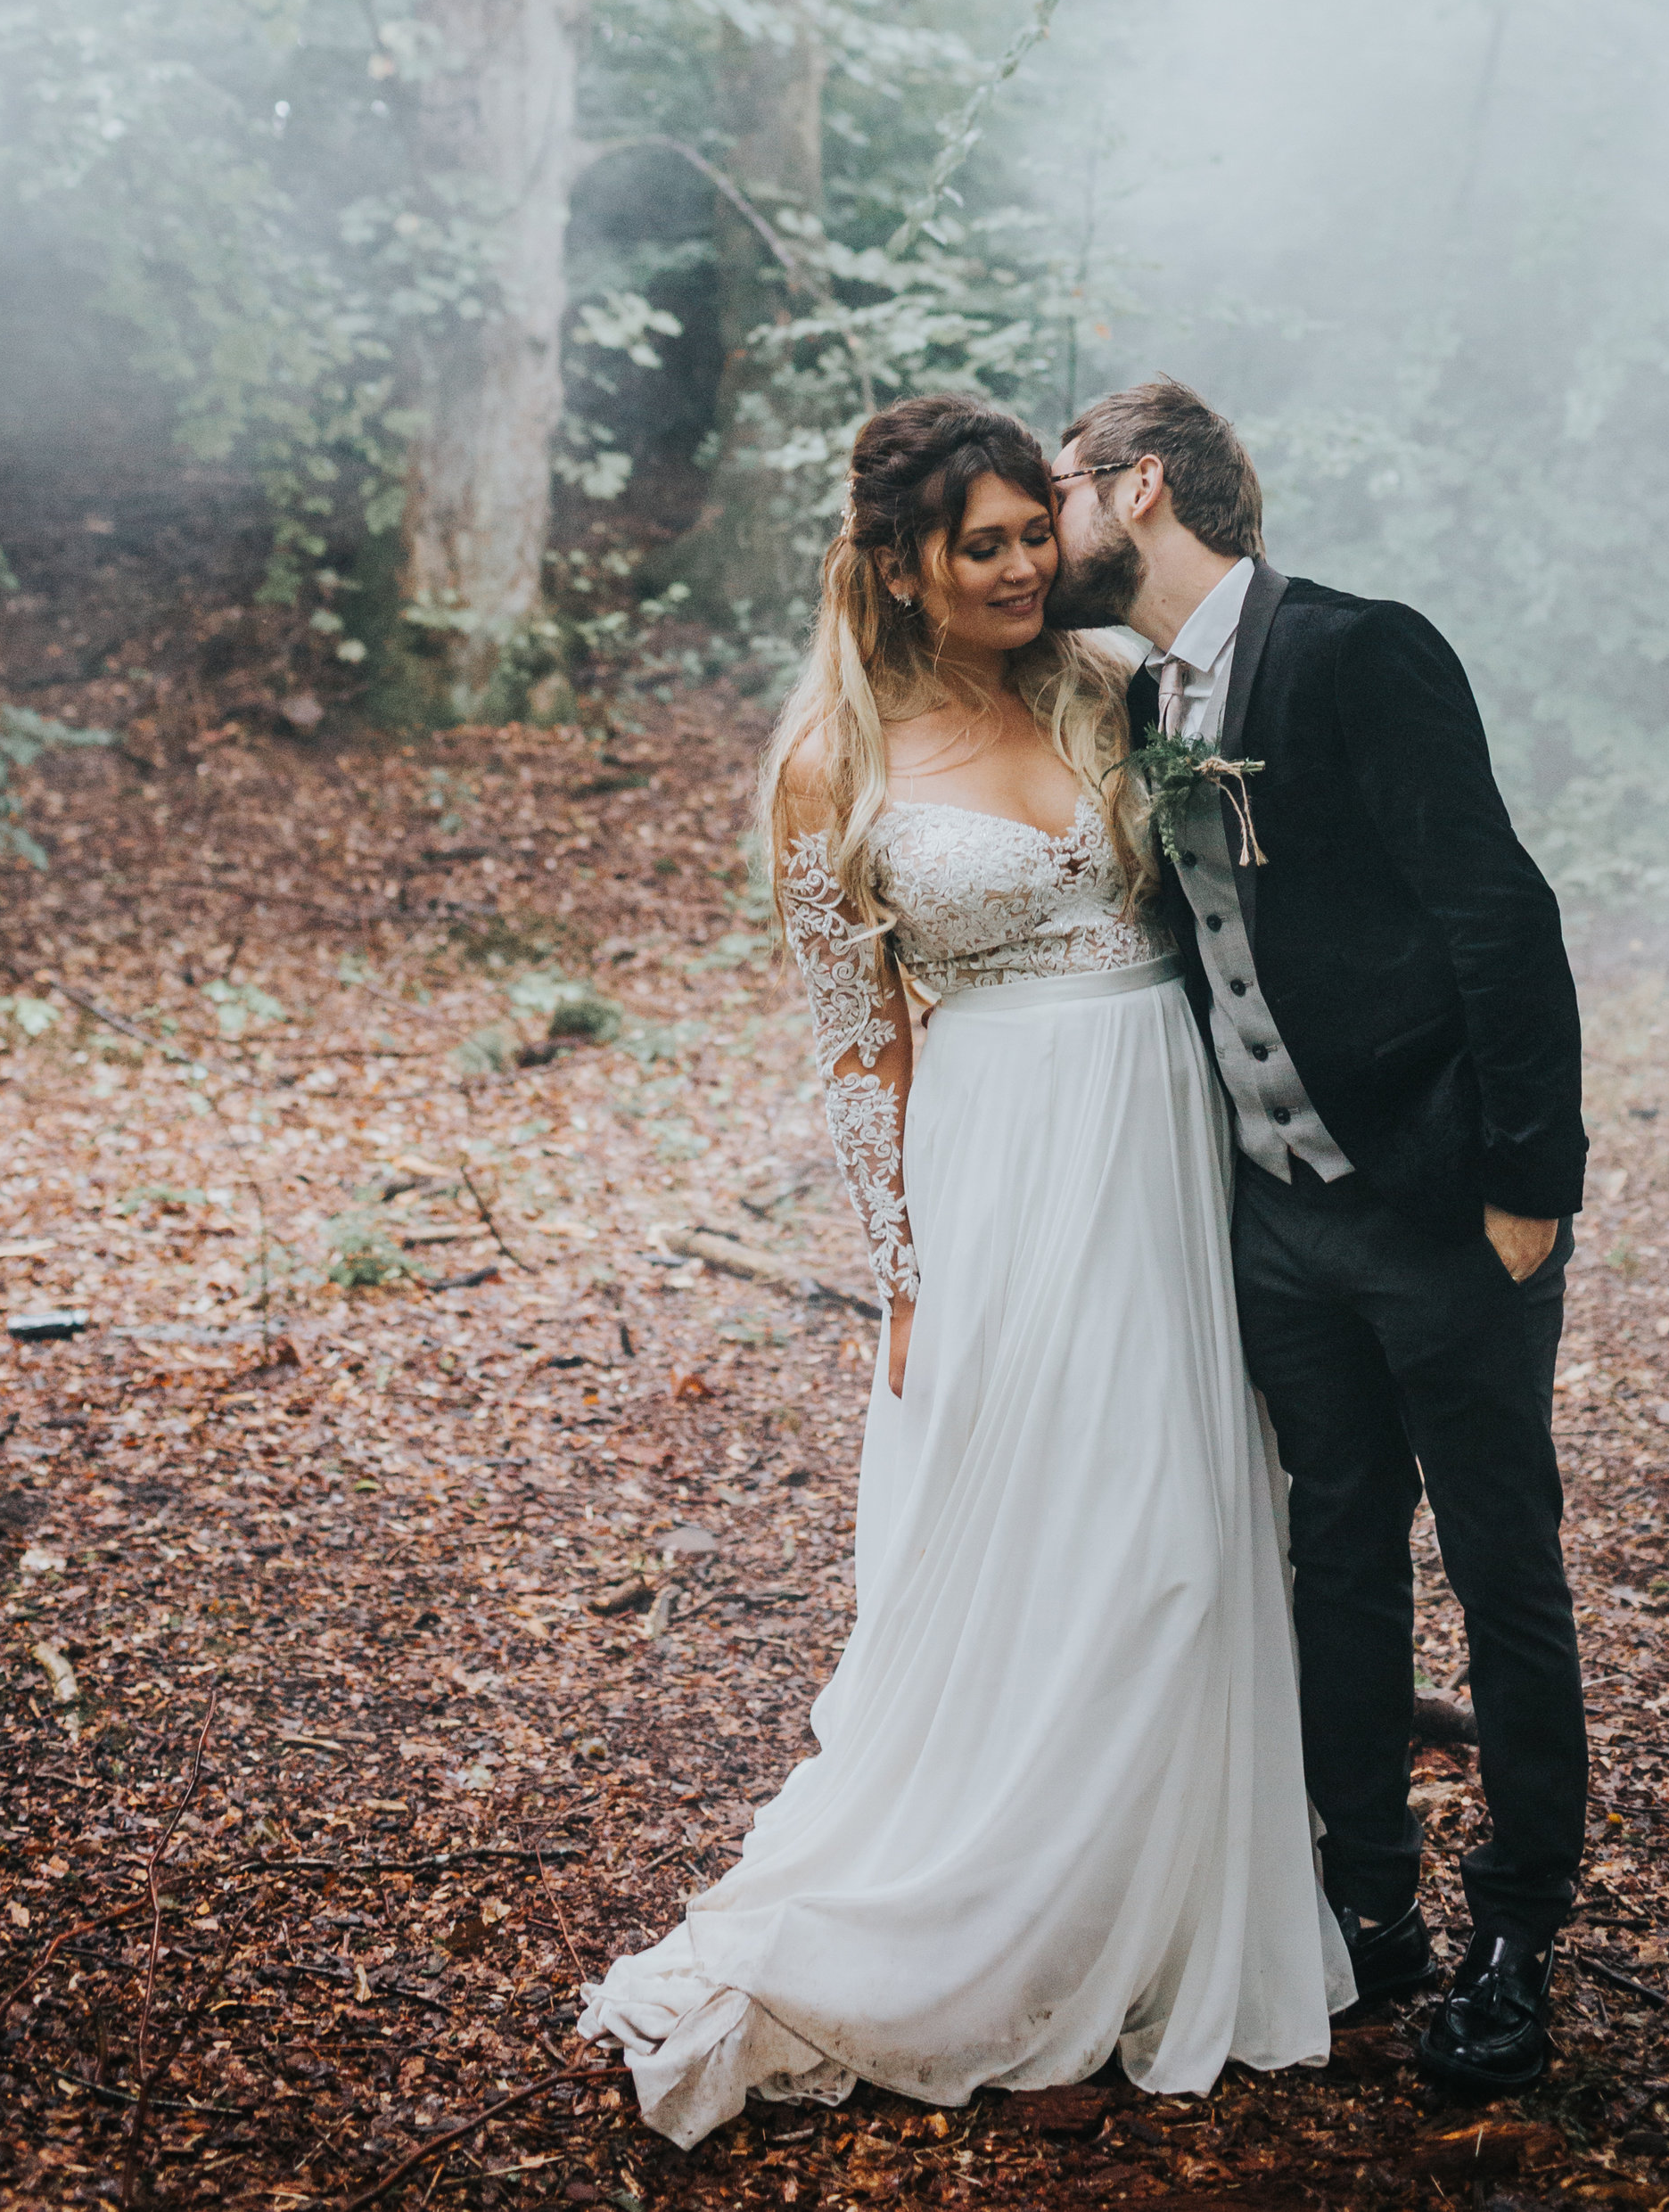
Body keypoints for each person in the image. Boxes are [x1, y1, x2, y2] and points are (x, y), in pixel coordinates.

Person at [580, 395, 1351, 2144]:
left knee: (1179, 1535)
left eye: (1030, 534)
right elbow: (857, 1050)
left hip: (1173, 1146)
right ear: (902, 567)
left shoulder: (1105, 688)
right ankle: (984, 1900)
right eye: (982, 545)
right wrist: (904, 1278)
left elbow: (1238, 909)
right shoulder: (826, 765)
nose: (1020, 566)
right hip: (1003, 1165)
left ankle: (1162, 1906)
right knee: (1046, 1527)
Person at [1044, 379, 1588, 2097]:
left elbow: (1501, 912)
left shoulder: (1364, 652)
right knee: (1334, 1559)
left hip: (1443, 1211)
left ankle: (1513, 1931)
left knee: (1502, 1569)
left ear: (1137, 485)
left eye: (1052, 487)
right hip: (1278, 1229)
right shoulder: (1136, 703)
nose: (1034, 521)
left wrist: (1528, 1184)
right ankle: (1369, 1908)